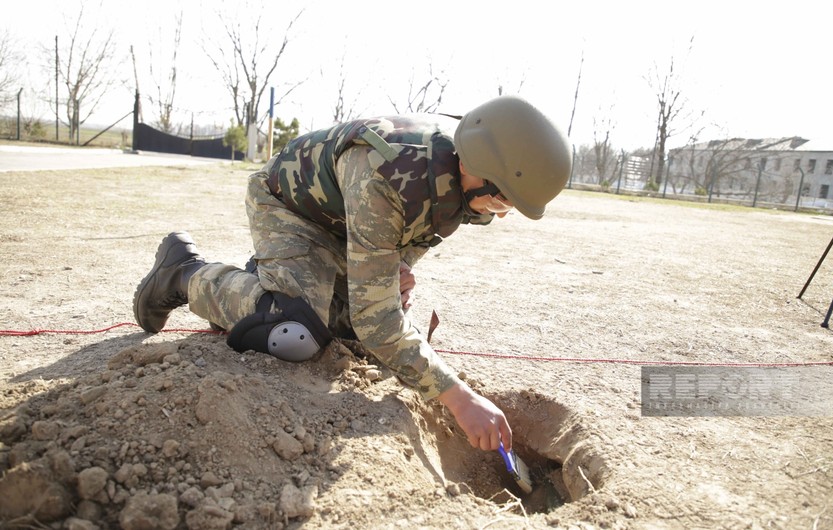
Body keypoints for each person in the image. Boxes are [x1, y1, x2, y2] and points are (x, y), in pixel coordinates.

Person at [133, 95, 572, 454]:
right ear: (479, 170)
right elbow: (377, 319)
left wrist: (395, 269)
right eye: (500, 203)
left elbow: (407, 237)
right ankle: (182, 272)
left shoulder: (462, 168)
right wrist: (458, 397)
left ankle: (267, 284)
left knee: (352, 335)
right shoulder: (389, 172)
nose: (500, 214)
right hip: (289, 209)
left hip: (342, 225)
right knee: (294, 331)